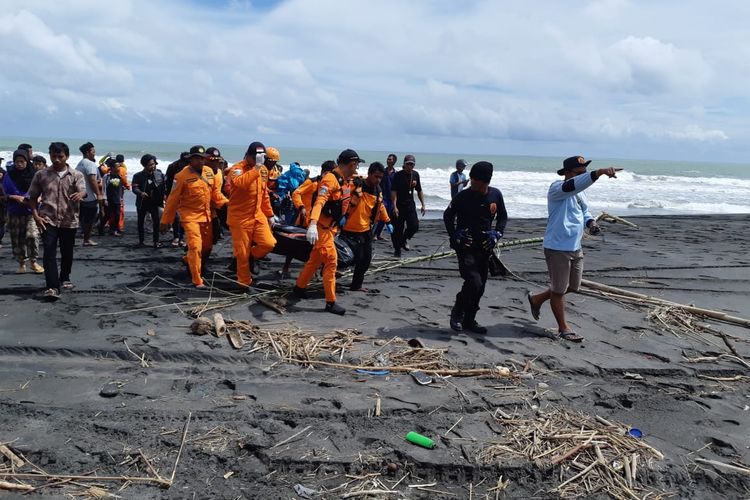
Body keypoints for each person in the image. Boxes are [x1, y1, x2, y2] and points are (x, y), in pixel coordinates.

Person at [527, 156, 621, 342]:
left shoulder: (580, 192)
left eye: (584, 173)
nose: (582, 177)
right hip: (557, 247)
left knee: (573, 286)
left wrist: (591, 223)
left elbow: (584, 210)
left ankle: (536, 299)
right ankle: (564, 328)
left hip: (575, 246)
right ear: (568, 173)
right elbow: (572, 186)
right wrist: (599, 173)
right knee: (559, 291)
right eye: (579, 173)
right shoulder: (557, 189)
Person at [294, 149, 363, 315]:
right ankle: (330, 302)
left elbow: (348, 196)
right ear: (351, 164)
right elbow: (319, 202)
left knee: (314, 260)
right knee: (331, 262)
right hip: (321, 229)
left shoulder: (346, 180)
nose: (357, 168)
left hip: (331, 228)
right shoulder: (330, 180)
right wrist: (312, 224)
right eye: (356, 165)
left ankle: (299, 287)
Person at [443, 161, 507, 334]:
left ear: (484, 181)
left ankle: (469, 320)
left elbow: (503, 217)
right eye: (470, 178)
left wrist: (497, 234)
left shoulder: (495, 195)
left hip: (485, 246)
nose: (471, 182)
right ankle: (457, 313)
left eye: (474, 179)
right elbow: (448, 216)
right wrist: (454, 234)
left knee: (481, 285)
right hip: (466, 245)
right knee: (474, 282)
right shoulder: (463, 196)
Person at [159, 145, 228, 289]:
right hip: (190, 217)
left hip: (207, 216)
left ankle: (189, 259)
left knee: (207, 247)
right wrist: (166, 220)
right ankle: (197, 280)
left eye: (202, 159)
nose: (200, 162)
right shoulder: (181, 177)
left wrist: (228, 204)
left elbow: (216, 194)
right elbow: (172, 199)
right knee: (195, 246)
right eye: (196, 158)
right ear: (191, 159)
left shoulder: (209, 172)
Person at [27, 142, 86, 299]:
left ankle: (65, 278)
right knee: (49, 252)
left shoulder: (76, 175)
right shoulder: (41, 175)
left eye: (60, 156)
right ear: (50, 156)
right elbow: (32, 197)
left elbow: (83, 190)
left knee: (67, 252)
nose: (57, 159)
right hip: (47, 219)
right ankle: (52, 287)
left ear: (66, 156)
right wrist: (36, 216)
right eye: (54, 156)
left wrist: (81, 194)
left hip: (69, 219)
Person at [226, 142, 277, 289]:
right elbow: (240, 183)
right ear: (247, 155)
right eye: (255, 157)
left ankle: (250, 256)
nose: (257, 160)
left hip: (257, 214)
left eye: (260, 158)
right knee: (242, 254)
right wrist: (256, 168)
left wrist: (270, 214)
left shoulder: (263, 171)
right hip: (239, 218)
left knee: (268, 243)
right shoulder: (237, 169)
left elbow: (264, 195)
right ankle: (244, 283)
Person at [341, 161, 392, 291]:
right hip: (350, 228)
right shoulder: (357, 185)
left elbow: (380, 207)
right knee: (347, 258)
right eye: (376, 176)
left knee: (365, 260)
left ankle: (356, 286)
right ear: (369, 174)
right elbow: (343, 187)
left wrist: (388, 221)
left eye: (381, 177)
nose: (378, 180)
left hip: (366, 229)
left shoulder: (377, 191)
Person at [3, 149, 43, 273]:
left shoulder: (35, 174)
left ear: (27, 161)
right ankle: (21, 263)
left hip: (31, 210)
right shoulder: (8, 175)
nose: (19, 164)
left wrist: (38, 199)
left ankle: (33, 261)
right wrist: (14, 197)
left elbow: (42, 190)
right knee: (17, 238)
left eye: (22, 161)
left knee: (32, 236)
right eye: (17, 161)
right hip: (15, 210)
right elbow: (4, 193)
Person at [390, 154, 426, 257]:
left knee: (414, 226)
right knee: (397, 229)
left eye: (412, 164)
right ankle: (397, 250)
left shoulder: (415, 175)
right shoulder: (398, 175)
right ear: (404, 164)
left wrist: (423, 204)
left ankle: (404, 239)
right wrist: (394, 206)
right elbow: (394, 191)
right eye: (408, 164)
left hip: (410, 205)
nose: (410, 166)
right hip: (398, 206)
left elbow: (419, 190)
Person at [132, 154, 166, 248]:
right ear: (144, 165)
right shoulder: (138, 175)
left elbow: (164, 187)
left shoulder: (159, 174)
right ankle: (141, 241)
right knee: (140, 222)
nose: (153, 166)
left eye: (154, 164)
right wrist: (140, 193)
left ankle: (156, 241)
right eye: (150, 164)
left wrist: (165, 196)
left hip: (154, 202)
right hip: (142, 202)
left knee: (156, 221)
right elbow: (134, 188)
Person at [76, 142, 104, 246]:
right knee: (90, 219)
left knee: (82, 218)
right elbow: (92, 180)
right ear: (88, 152)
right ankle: (87, 239)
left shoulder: (80, 163)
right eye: (93, 151)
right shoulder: (90, 164)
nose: (94, 153)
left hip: (81, 196)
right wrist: (98, 194)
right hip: (90, 197)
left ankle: (85, 238)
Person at [165, 152, 190, 247]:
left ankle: (182, 237)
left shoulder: (191, 168)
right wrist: (168, 196)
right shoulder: (172, 166)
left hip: (186, 196)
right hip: (174, 194)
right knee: (176, 217)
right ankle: (176, 236)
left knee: (183, 217)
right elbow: (167, 182)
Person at [205, 147, 226, 243]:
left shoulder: (219, 173)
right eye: (212, 160)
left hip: (213, 208)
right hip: (198, 210)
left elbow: (217, 191)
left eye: (217, 160)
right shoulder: (200, 172)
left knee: (214, 237)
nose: (215, 163)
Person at [374, 153, 396, 240]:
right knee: (379, 216)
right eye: (388, 159)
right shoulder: (383, 171)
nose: (388, 160)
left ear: (394, 161)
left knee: (385, 218)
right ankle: (375, 234)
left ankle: (378, 234)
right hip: (383, 197)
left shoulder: (395, 174)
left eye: (390, 159)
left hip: (391, 198)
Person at [101, 158, 124, 236]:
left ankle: (113, 230)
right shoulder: (106, 176)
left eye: (119, 166)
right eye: (117, 167)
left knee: (117, 215)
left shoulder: (119, 177)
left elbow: (120, 189)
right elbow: (103, 188)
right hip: (109, 199)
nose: (119, 168)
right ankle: (100, 227)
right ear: (112, 168)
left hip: (117, 199)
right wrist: (104, 198)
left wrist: (121, 198)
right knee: (108, 215)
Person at [114, 154, 130, 233]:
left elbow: (102, 166)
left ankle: (111, 225)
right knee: (120, 209)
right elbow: (124, 179)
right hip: (119, 190)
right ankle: (119, 226)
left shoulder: (111, 168)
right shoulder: (123, 169)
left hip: (111, 190)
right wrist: (128, 186)